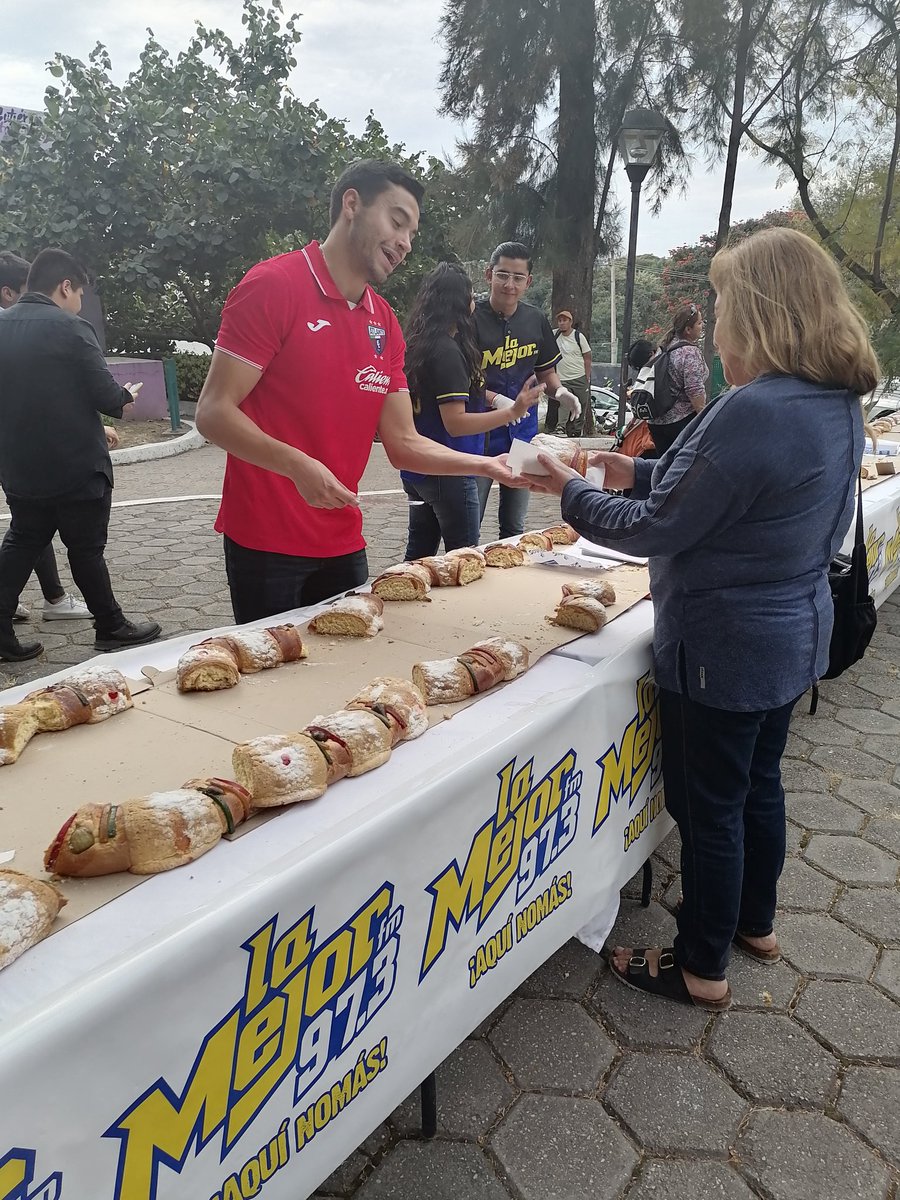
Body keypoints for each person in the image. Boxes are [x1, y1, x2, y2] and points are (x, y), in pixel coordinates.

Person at [520, 227, 877, 1010]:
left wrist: (571, 489)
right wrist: (634, 467)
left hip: (725, 647)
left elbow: (658, 526)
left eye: (722, 306)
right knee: (758, 786)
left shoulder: (756, 408)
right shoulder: (831, 398)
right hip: (790, 638)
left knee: (708, 808)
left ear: (760, 312)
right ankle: (754, 922)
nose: (714, 325)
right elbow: (729, 487)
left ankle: (700, 964)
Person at [195, 160, 528, 624]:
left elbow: (403, 443)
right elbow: (212, 413)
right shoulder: (274, 286)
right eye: (397, 222)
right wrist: (297, 465)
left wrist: (485, 465)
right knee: (271, 681)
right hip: (266, 541)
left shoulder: (385, 323)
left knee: (348, 675)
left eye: (412, 232)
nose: (406, 243)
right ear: (351, 204)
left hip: (343, 540)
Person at [0, 248, 162, 662]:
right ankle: (110, 626)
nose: (78, 304)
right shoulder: (72, 328)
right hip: (75, 467)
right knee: (85, 550)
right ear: (65, 286)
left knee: (22, 542)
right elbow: (107, 396)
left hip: (20, 467)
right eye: (78, 294)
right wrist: (126, 396)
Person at [401, 262, 542, 558]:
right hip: (450, 469)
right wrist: (512, 411)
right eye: (469, 295)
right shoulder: (447, 351)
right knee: (464, 557)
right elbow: (456, 423)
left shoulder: (418, 343)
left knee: (417, 555)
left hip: (419, 470)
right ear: (461, 303)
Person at [0, 250, 93, 624]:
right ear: (9, 293)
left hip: (17, 449)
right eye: (26, 291)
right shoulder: (20, 328)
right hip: (20, 449)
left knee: (30, 525)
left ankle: (45, 599)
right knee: (30, 527)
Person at [474, 242, 576, 539]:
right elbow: (459, 379)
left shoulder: (536, 320)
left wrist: (561, 392)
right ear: (488, 274)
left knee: (515, 525)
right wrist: (494, 399)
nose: (509, 284)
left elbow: (546, 371)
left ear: (528, 282)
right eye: (502, 275)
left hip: (522, 434)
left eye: (518, 277)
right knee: (471, 524)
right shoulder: (470, 319)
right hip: (480, 434)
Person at [646, 303, 708, 455]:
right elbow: (694, 390)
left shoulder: (663, 347)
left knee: (663, 467)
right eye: (699, 323)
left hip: (656, 421)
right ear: (688, 330)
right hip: (680, 422)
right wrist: (705, 419)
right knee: (682, 469)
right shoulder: (689, 352)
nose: (702, 326)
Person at [550, 310, 592, 437]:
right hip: (562, 377)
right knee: (564, 403)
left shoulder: (578, 337)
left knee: (582, 403)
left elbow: (587, 357)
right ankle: (560, 427)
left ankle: (577, 429)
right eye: (560, 321)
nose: (562, 323)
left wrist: (587, 376)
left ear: (570, 322)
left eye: (565, 320)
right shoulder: (554, 335)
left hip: (579, 376)